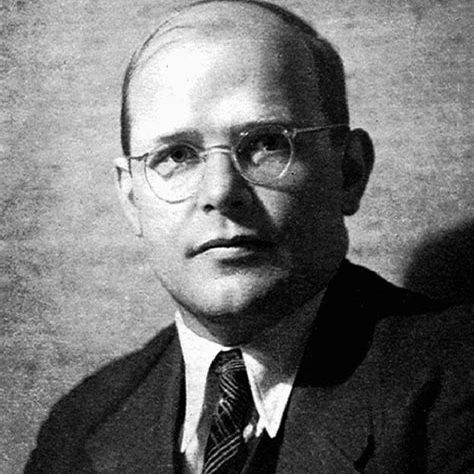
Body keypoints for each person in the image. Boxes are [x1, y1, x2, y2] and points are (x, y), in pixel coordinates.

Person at [25, 1, 473, 473]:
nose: (220, 192)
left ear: (348, 171)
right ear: (132, 198)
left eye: (266, 143)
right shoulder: (79, 428)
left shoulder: (458, 381)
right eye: (176, 155)